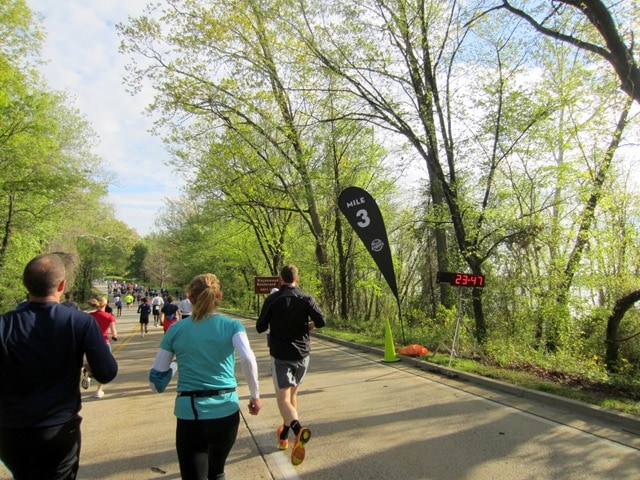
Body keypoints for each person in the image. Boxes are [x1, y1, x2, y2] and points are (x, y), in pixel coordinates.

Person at [0, 253, 118, 479]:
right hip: (59, 428)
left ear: (25, 284)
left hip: (11, 430)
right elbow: (107, 372)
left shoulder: (4, 324)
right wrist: (86, 364)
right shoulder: (80, 321)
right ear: (62, 285)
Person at [149, 273, 262, 480]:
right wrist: (255, 395)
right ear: (219, 296)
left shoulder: (175, 330)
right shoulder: (232, 326)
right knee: (217, 471)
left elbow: (156, 382)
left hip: (191, 415)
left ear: (190, 298)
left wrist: (174, 366)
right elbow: (248, 358)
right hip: (226, 412)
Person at [256, 264, 326, 466]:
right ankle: (284, 437)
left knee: (283, 400)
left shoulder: (273, 299)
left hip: (281, 355)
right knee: (292, 395)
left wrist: (275, 320)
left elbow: (260, 327)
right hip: (302, 355)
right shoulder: (306, 299)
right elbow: (321, 321)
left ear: (280, 279)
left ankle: (298, 429)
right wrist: (310, 324)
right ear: (298, 278)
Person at [86, 296, 118, 399]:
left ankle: (88, 375)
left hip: (91, 343)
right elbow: (114, 332)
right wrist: (114, 336)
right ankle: (99, 391)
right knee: (104, 368)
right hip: (104, 343)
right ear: (105, 304)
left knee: (91, 363)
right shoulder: (109, 316)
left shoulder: (90, 316)